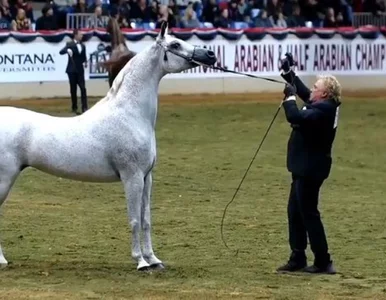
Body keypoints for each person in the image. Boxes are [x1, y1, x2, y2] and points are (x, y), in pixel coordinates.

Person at [276, 52, 341, 274]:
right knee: (295, 211)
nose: (311, 89)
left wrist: (289, 99)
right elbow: (305, 93)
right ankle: (298, 256)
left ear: (324, 93)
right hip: (305, 168)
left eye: (316, 87)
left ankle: (323, 261)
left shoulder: (324, 110)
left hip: (310, 169)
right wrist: (289, 74)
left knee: (308, 213)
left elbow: (295, 116)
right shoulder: (324, 104)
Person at [59, 29, 88, 115]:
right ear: (75, 35)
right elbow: (61, 52)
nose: (82, 36)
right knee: (73, 89)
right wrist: (67, 50)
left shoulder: (83, 46)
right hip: (71, 70)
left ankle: (84, 107)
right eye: (80, 34)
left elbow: (84, 57)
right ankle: (74, 107)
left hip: (80, 70)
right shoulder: (69, 44)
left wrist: (85, 62)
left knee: (83, 88)